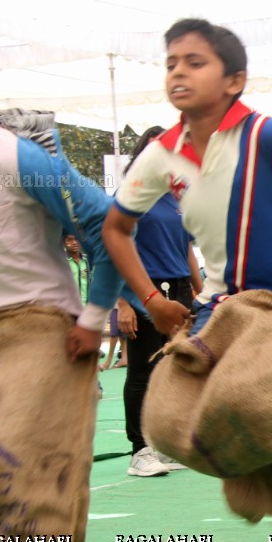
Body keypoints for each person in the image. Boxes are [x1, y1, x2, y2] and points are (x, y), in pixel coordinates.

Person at [0, 28, 124, 542]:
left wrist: (92, 317)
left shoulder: (13, 157)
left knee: (33, 494)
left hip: (43, 338)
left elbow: (106, 223)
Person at [103, 18, 272, 341]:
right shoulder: (161, 154)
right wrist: (152, 301)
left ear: (234, 81)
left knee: (257, 387)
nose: (179, 71)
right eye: (171, 64)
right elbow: (115, 228)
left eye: (195, 62)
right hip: (217, 307)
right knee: (176, 386)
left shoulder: (266, 134)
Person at [114, 125, 204, 478]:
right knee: (142, 369)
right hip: (144, 288)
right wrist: (123, 302)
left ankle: (165, 444)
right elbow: (114, 246)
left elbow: (187, 250)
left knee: (175, 367)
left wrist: (202, 291)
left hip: (179, 287)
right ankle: (140, 450)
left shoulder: (180, 195)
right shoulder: (131, 193)